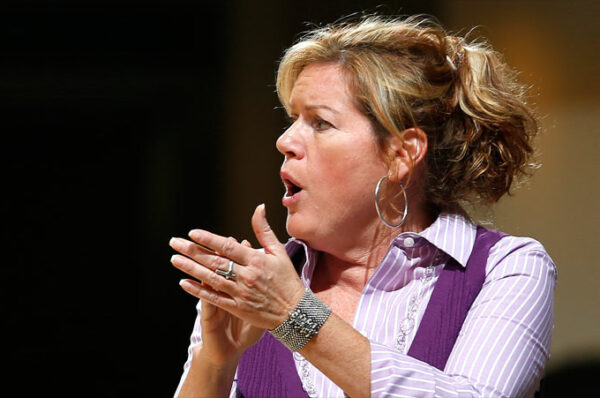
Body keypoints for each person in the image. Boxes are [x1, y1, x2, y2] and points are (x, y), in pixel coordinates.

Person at [169, 15, 556, 398]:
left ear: (400, 155)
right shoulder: (256, 286)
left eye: (320, 123)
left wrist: (292, 312)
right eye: (293, 120)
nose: (285, 141)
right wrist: (215, 363)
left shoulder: (505, 268)